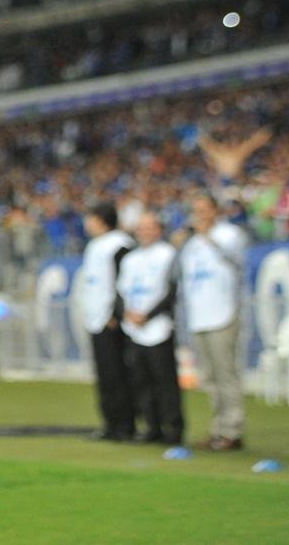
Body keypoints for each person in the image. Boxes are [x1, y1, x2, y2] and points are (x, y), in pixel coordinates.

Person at [178, 192, 249, 451]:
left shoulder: (229, 235)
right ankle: (218, 428)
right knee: (209, 378)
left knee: (226, 375)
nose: (200, 215)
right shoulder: (192, 243)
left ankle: (233, 430)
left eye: (205, 209)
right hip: (199, 318)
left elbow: (235, 259)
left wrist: (207, 235)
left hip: (223, 314)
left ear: (216, 210)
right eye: (196, 210)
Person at [118, 212, 184, 445]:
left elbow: (171, 291)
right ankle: (152, 426)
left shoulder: (168, 255)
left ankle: (174, 428)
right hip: (134, 329)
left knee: (165, 381)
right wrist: (127, 313)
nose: (145, 231)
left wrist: (148, 315)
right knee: (141, 382)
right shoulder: (130, 259)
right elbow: (122, 292)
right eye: (141, 227)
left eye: (150, 226)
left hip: (159, 326)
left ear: (159, 229)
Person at [78, 202, 136, 441]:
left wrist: (115, 313)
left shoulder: (119, 244)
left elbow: (124, 282)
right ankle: (110, 422)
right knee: (105, 374)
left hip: (110, 320)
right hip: (95, 319)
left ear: (101, 219)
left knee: (118, 374)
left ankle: (125, 424)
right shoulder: (95, 245)